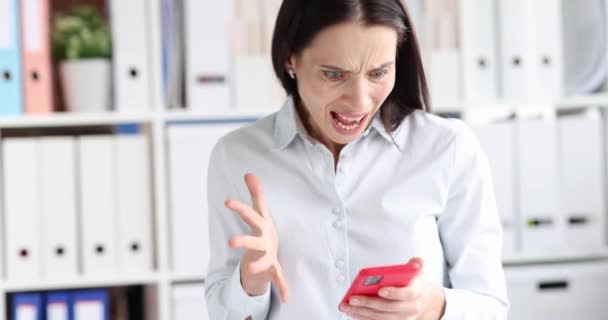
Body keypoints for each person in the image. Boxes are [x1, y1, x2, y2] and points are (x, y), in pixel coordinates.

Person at [205, 0, 509, 319]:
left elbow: (491, 306)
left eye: (379, 72)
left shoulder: (447, 147)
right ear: (289, 59)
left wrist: (435, 305)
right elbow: (222, 313)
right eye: (334, 74)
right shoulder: (237, 157)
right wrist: (249, 283)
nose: (360, 101)